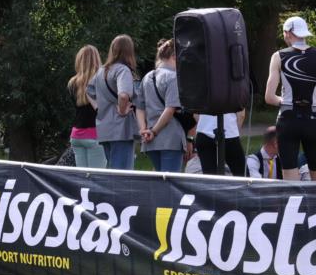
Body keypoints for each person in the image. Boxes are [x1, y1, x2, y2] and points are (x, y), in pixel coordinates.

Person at [264, 16, 316, 181]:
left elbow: (269, 97)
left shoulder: (278, 56)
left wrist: (284, 100)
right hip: (312, 120)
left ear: (288, 33)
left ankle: (293, 199)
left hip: (288, 120)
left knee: (289, 178)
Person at [88, 34, 138, 170]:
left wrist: (98, 108)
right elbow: (123, 95)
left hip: (104, 128)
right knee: (122, 174)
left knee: (112, 170)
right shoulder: (123, 70)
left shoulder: (101, 71)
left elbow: (88, 91)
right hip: (121, 129)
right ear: (129, 50)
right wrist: (122, 110)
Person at [136, 39, 186, 172]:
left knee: (159, 179)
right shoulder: (173, 77)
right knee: (170, 181)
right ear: (174, 56)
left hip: (150, 141)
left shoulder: (147, 77)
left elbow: (139, 107)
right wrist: (153, 132)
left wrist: (143, 130)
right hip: (170, 138)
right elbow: (170, 109)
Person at [66, 45, 106, 169]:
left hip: (76, 134)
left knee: (83, 176)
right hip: (95, 134)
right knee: (96, 176)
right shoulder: (101, 80)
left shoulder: (72, 83)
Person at [193, 112, 246, 177]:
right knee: (242, 175)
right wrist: (234, 131)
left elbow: (195, 114)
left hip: (204, 133)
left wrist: (207, 126)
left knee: (210, 176)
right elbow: (241, 114)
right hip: (229, 133)